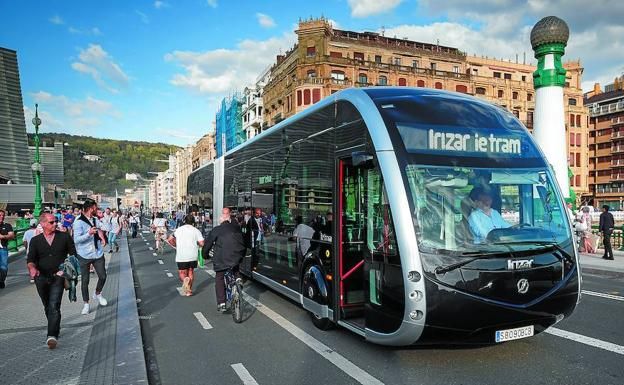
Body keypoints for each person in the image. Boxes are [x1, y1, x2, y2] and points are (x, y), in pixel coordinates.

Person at [27, 212, 77, 349]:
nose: (55, 224)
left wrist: (65, 269)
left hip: (58, 276)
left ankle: (52, 335)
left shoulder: (65, 237)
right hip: (41, 277)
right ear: (42, 224)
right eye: (51, 222)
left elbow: (73, 256)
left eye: (55, 221)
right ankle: (55, 326)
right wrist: (32, 269)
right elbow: (30, 259)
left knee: (54, 305)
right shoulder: (35, 240)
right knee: (47, 306)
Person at [202, 208, 246, 312]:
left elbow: (207, 245)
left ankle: (222, 303)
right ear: (229, 220)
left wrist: (205, 255)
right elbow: (242, 242)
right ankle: (238, 278)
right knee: (235, 266)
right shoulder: (236, 228)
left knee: (220, 277)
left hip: (222, 258)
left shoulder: (216, 230)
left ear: (221, 221)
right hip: (237, 255)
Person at [73, 198, 108, 315]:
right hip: (84, 254)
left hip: (97, 253)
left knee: (103, 276)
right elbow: (76, 240)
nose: (96, 209)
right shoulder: (78, 222)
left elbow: (99, 230)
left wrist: (102, 237)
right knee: (85, 280)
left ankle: (97, 293)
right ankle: (86, 304)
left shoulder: (94, 219)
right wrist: (88, 234)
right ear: (91, 208)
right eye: (95, 208)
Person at [168, 214, 204, 296]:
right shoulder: (196, 230)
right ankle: (189, 291)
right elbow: (202, 243)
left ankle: (185, 280)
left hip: (181, 255)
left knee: (182, 272)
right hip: (193, 254)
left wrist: (175, 245)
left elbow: (170, 239)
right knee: (191, 271)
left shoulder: (178, 230)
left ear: (184, 221)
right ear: (193, 222)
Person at [0, 209, 16, 289]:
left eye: (3, 215)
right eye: (0, 215)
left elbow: (12, 236)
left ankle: (1, 281)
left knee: (4, 267)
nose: (2, 217)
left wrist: (3, 237)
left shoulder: (7, 225)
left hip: (3, 249)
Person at [22, 219, 41, 283]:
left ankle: (32, 276)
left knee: (30, 263)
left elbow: (24, 241)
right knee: (37, 262)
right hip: (38, 250)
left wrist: (26, 248)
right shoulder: (38, 231)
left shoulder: (27, 232)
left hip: (29, 250)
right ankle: (38, 274)